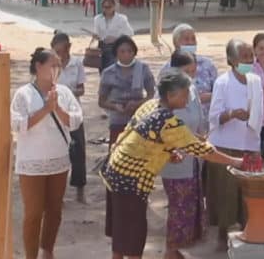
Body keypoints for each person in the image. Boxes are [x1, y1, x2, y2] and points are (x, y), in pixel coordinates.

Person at [101, 71, 243, 259]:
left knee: (121, 231)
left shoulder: (150, 106)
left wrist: (167, 154)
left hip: (114, 170)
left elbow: (141, 138)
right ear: (171, 96)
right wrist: (235, 161)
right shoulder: (169, 123)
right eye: (184, 95)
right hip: (131, 181)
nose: (187, 99)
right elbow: (203, 151)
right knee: (134, 234)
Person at [10, 48, 83, 259]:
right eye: (52, 65)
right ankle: (30, 255)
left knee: (54, 210)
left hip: (58, 160)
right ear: (38, 66)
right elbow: (17, 125)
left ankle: (47, 250)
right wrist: (45, 109)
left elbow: (76, 121)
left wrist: (57, 107)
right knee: (33, 214)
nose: (55, 70)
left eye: (58, 65)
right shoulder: (24, 94)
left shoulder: (65, 92)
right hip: (31, 162)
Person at [206, 39, 263, 251]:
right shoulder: (222, 82)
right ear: (231, 60)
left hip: (249, 142)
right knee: (225, 191)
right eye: (244, 57)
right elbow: (214, 117)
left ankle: (248, 229)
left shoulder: (255, 81)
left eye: (251, 56)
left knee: (248, 190)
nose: (249, 61)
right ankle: (222, 233)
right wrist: (232, 114)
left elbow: (259, 110)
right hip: (225, 145)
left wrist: (251, 119)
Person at [157, 51, 208, 259]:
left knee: (189, 208)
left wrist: (201, 134)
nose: (190, 76)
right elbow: (164, 129)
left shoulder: (191, 88)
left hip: (194, 159)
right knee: (178, 209)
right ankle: (170, 251)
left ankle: (177, 249)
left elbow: (199, 116)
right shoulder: (165, 96)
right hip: (175, 161)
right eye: (186, 72)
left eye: (192, 71)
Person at [51, 31, 88, 203]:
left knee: (78, 151)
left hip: (74, 112)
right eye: (56, 52)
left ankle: (80, 191)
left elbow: (82, 89)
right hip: (55, 115)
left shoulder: (77, 63)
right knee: (57, 152)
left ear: (68, 48)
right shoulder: (50, 65)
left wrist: (70, 93)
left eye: (62, 51)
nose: (59, 55)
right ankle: (57, 194)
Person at [99, 35, 156, 144]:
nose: (126, 55)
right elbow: (101, 101)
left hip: (139, 118)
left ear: (134, 52)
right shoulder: (108, 73)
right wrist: (115, 106)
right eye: (122, 52)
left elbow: (151, 95)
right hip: (117, 120)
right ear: (116, 54)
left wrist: (138, 103)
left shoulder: (143, 69)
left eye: (130, 51)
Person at [164, 23, 219, 113]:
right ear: (176, 43)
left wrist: (210, 97)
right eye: (186, 39)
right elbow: (162, 99)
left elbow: (218, 91)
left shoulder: (207, 64)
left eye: (193, 39)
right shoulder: (168, 68)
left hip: (206, 119)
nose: (191, 42)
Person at [91, 0, 134, 74]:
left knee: (113, 70)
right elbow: (97, 33)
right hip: (102, 47)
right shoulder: (98, 19)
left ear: (114, 7)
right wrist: (95, 36)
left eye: (109, 7)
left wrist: (116, 38)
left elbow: (130, 33)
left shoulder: (121, 19)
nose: (106, 9)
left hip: (115, 47)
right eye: (104, 7)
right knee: (103, 71)